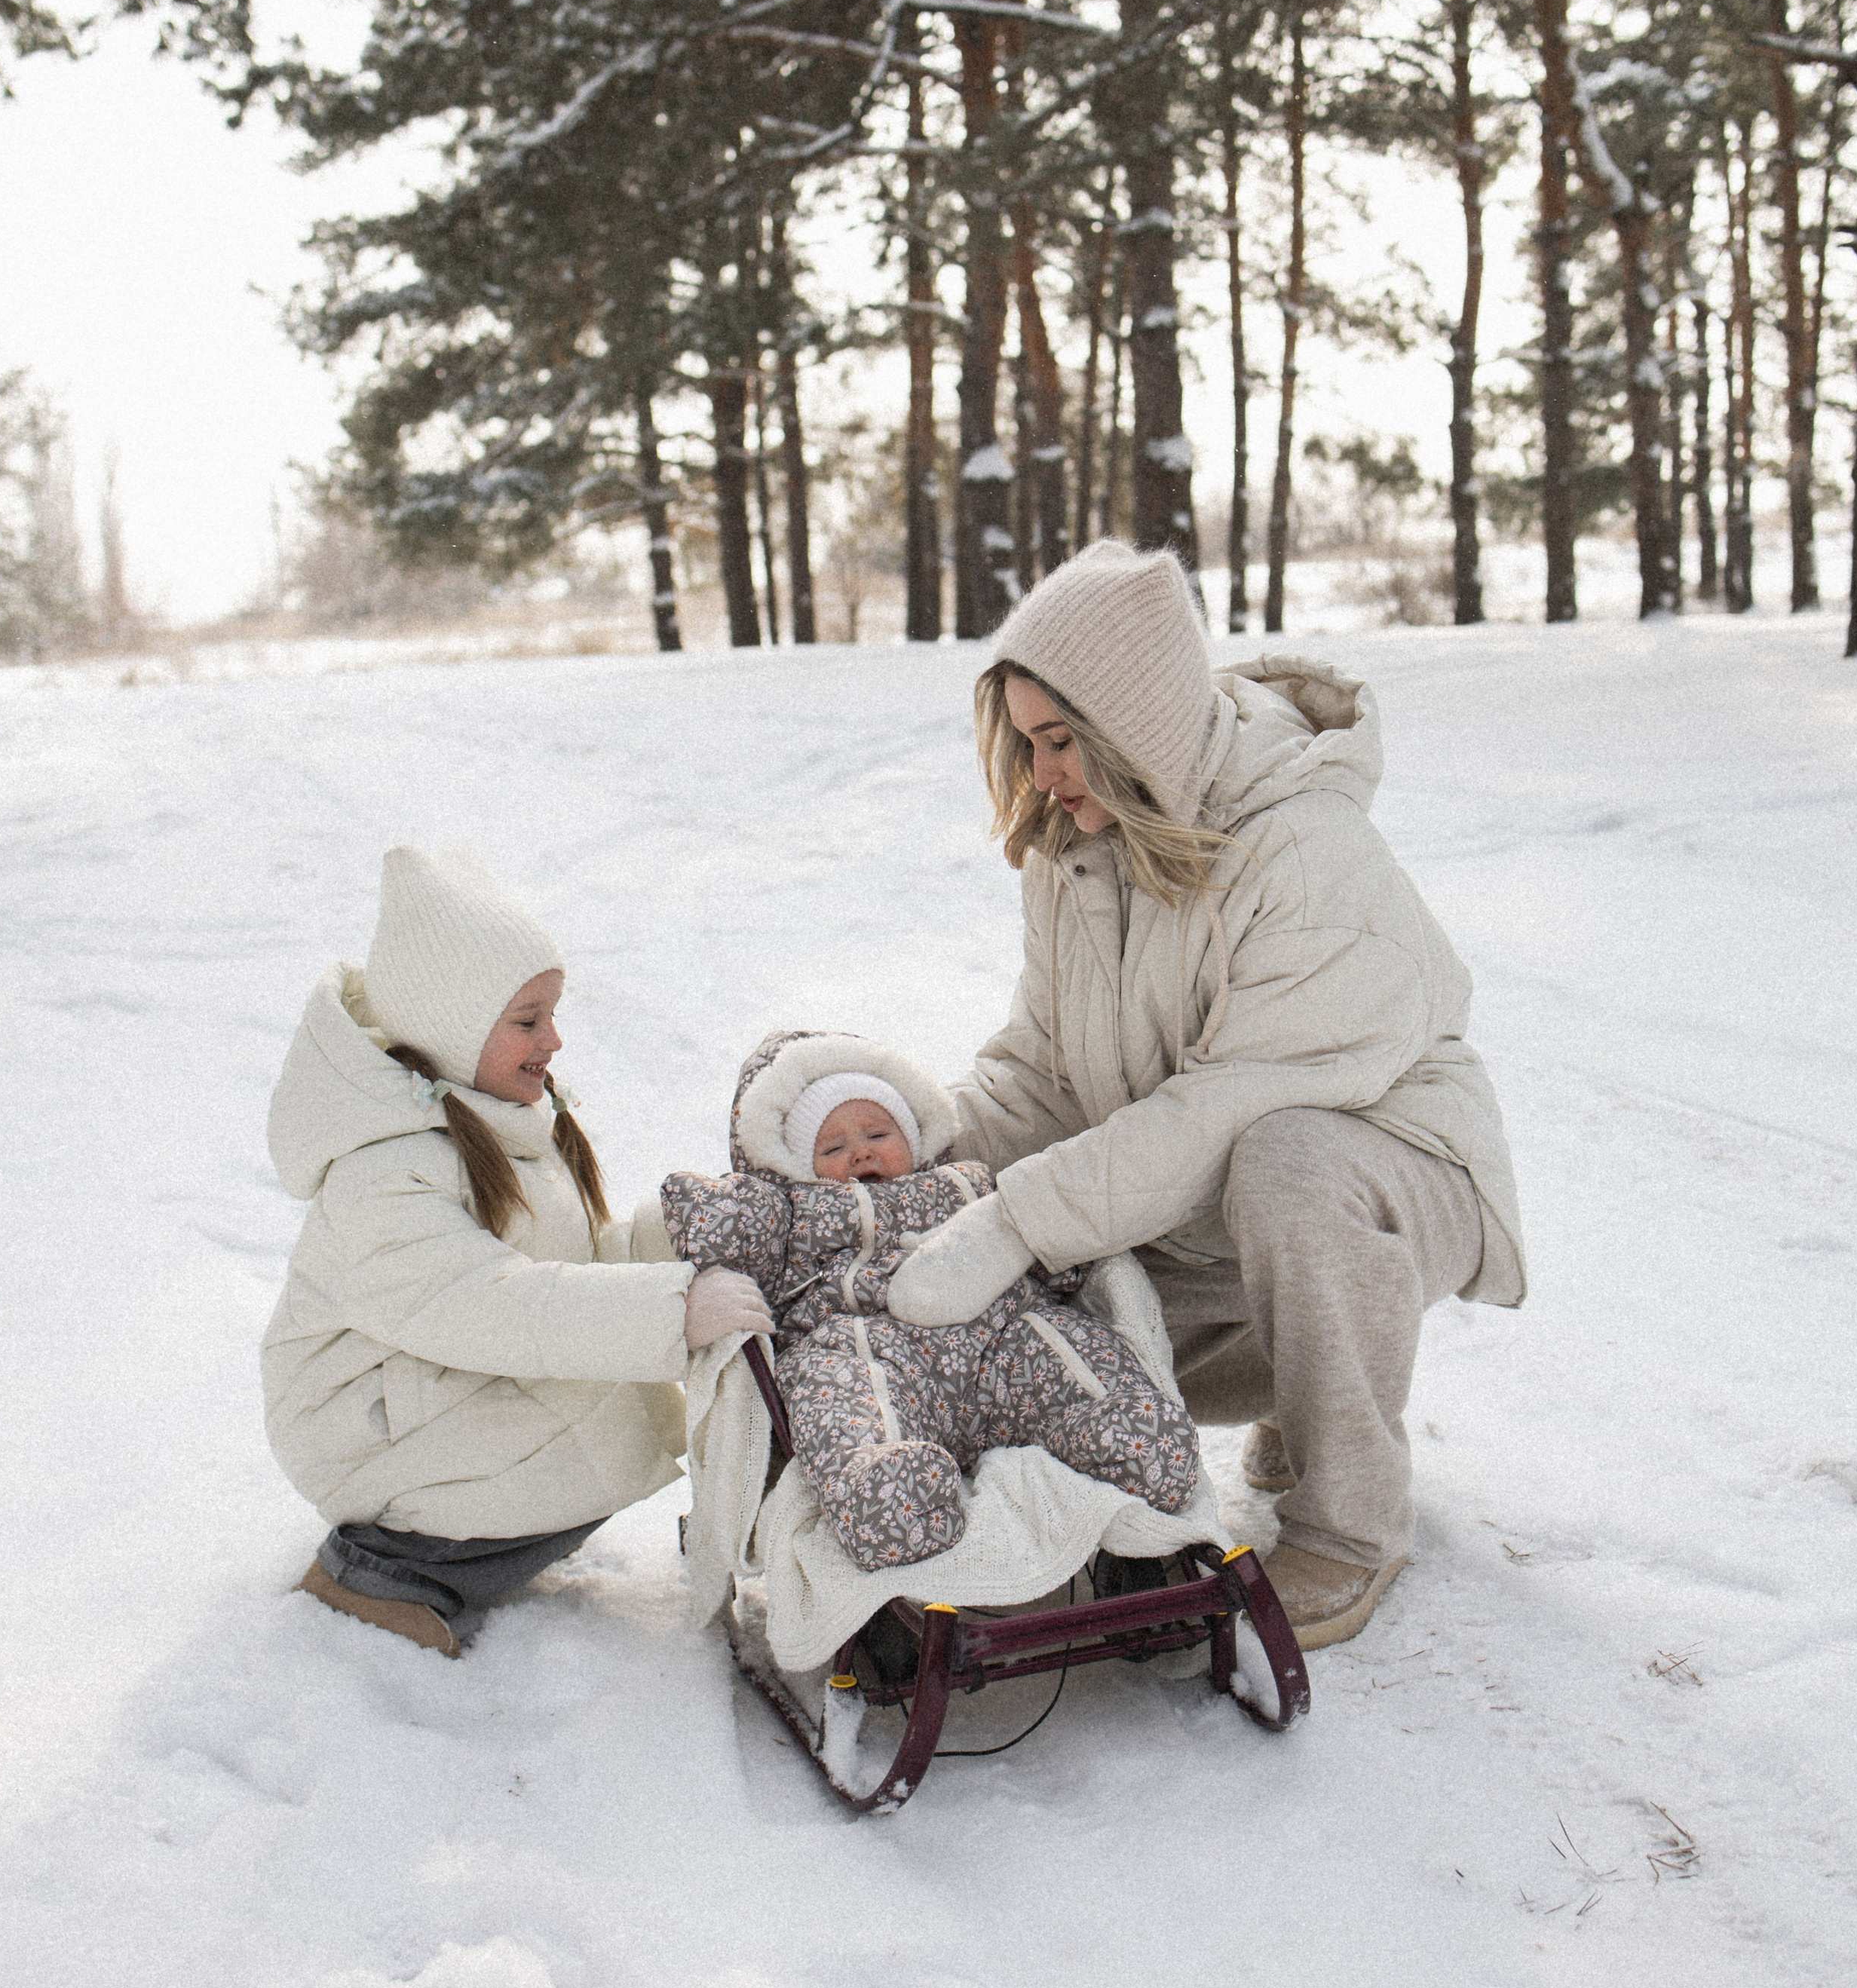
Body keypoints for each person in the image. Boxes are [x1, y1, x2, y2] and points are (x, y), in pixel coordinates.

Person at [885, 540, 1526, 1649]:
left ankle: (1352, 1522)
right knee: (1051, 1344)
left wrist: (1018, 1216)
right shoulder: (1077, 850)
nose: (1040, 776)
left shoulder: (1307, 857)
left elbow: (1222, 1114)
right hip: (1212, 1194)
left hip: (1390, 1170)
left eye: (1058, 741)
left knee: (1286, 1164)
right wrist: (905, 1137)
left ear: (1129, 724)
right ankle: (1299, 1374)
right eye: (1026, 742)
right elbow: (1044, 1068)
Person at [263, 844, 767, 1654]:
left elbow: (560, 1261)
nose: (555, 1040)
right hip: (371, 1427)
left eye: (553, 1014)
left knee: (615, 1433)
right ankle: (380, 1574)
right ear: (449, 1030)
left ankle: (464, 1546)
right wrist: (673, 1309)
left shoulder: (498, 1119)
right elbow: (485, 1304)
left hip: (436, 1385)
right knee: (601, 1439)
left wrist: (672, 1237)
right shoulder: (384, 1174)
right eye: (528, 1021)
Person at [660, 1028, 1200, 1571]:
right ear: (796, 1165)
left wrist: (1062, 1246)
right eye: (832, 1147)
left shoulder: (967, 1185)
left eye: (877, 1132)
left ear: (914, 1134)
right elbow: (725, 1234)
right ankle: (888, 1487)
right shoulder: (791, 1215)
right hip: (869, 1353)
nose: (861, 1151)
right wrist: (725, 1207)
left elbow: (1043, 1238)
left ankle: (1125, 1435)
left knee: (1055, 1339)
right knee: (834, 1389)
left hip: (997, 1340)